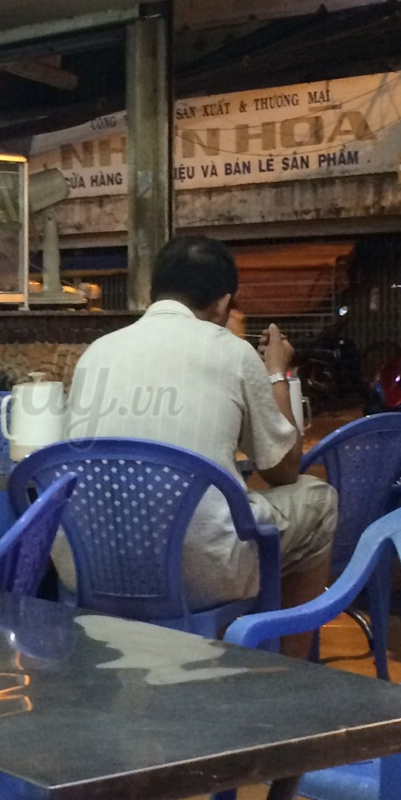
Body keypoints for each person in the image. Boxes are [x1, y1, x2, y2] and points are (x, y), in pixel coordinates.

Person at [64, 235, 337, 653]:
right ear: (224, 303)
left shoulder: (96, 353)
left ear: (154, 292)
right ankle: (288, 670)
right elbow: (283, 469)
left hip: (87, 565)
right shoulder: (233, 353)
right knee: (319, 500)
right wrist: (276, 371)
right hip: (196, 572)